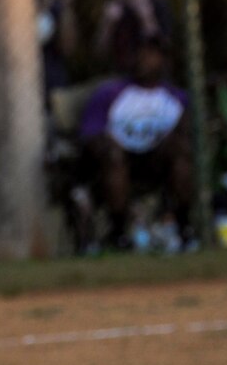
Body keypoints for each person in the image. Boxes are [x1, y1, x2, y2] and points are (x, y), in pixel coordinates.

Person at [78, 35, 195, 250]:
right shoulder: (110, 93)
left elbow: (191, 135)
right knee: (114, 158)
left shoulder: (177, 97)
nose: (143, 59)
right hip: (120, 159)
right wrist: (108, 144)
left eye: (151, 54)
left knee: (182, 152)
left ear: (164, 61)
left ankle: (183, 225)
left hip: (158, 160)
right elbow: (90, 135)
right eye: (140, 53)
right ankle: (119, 232)